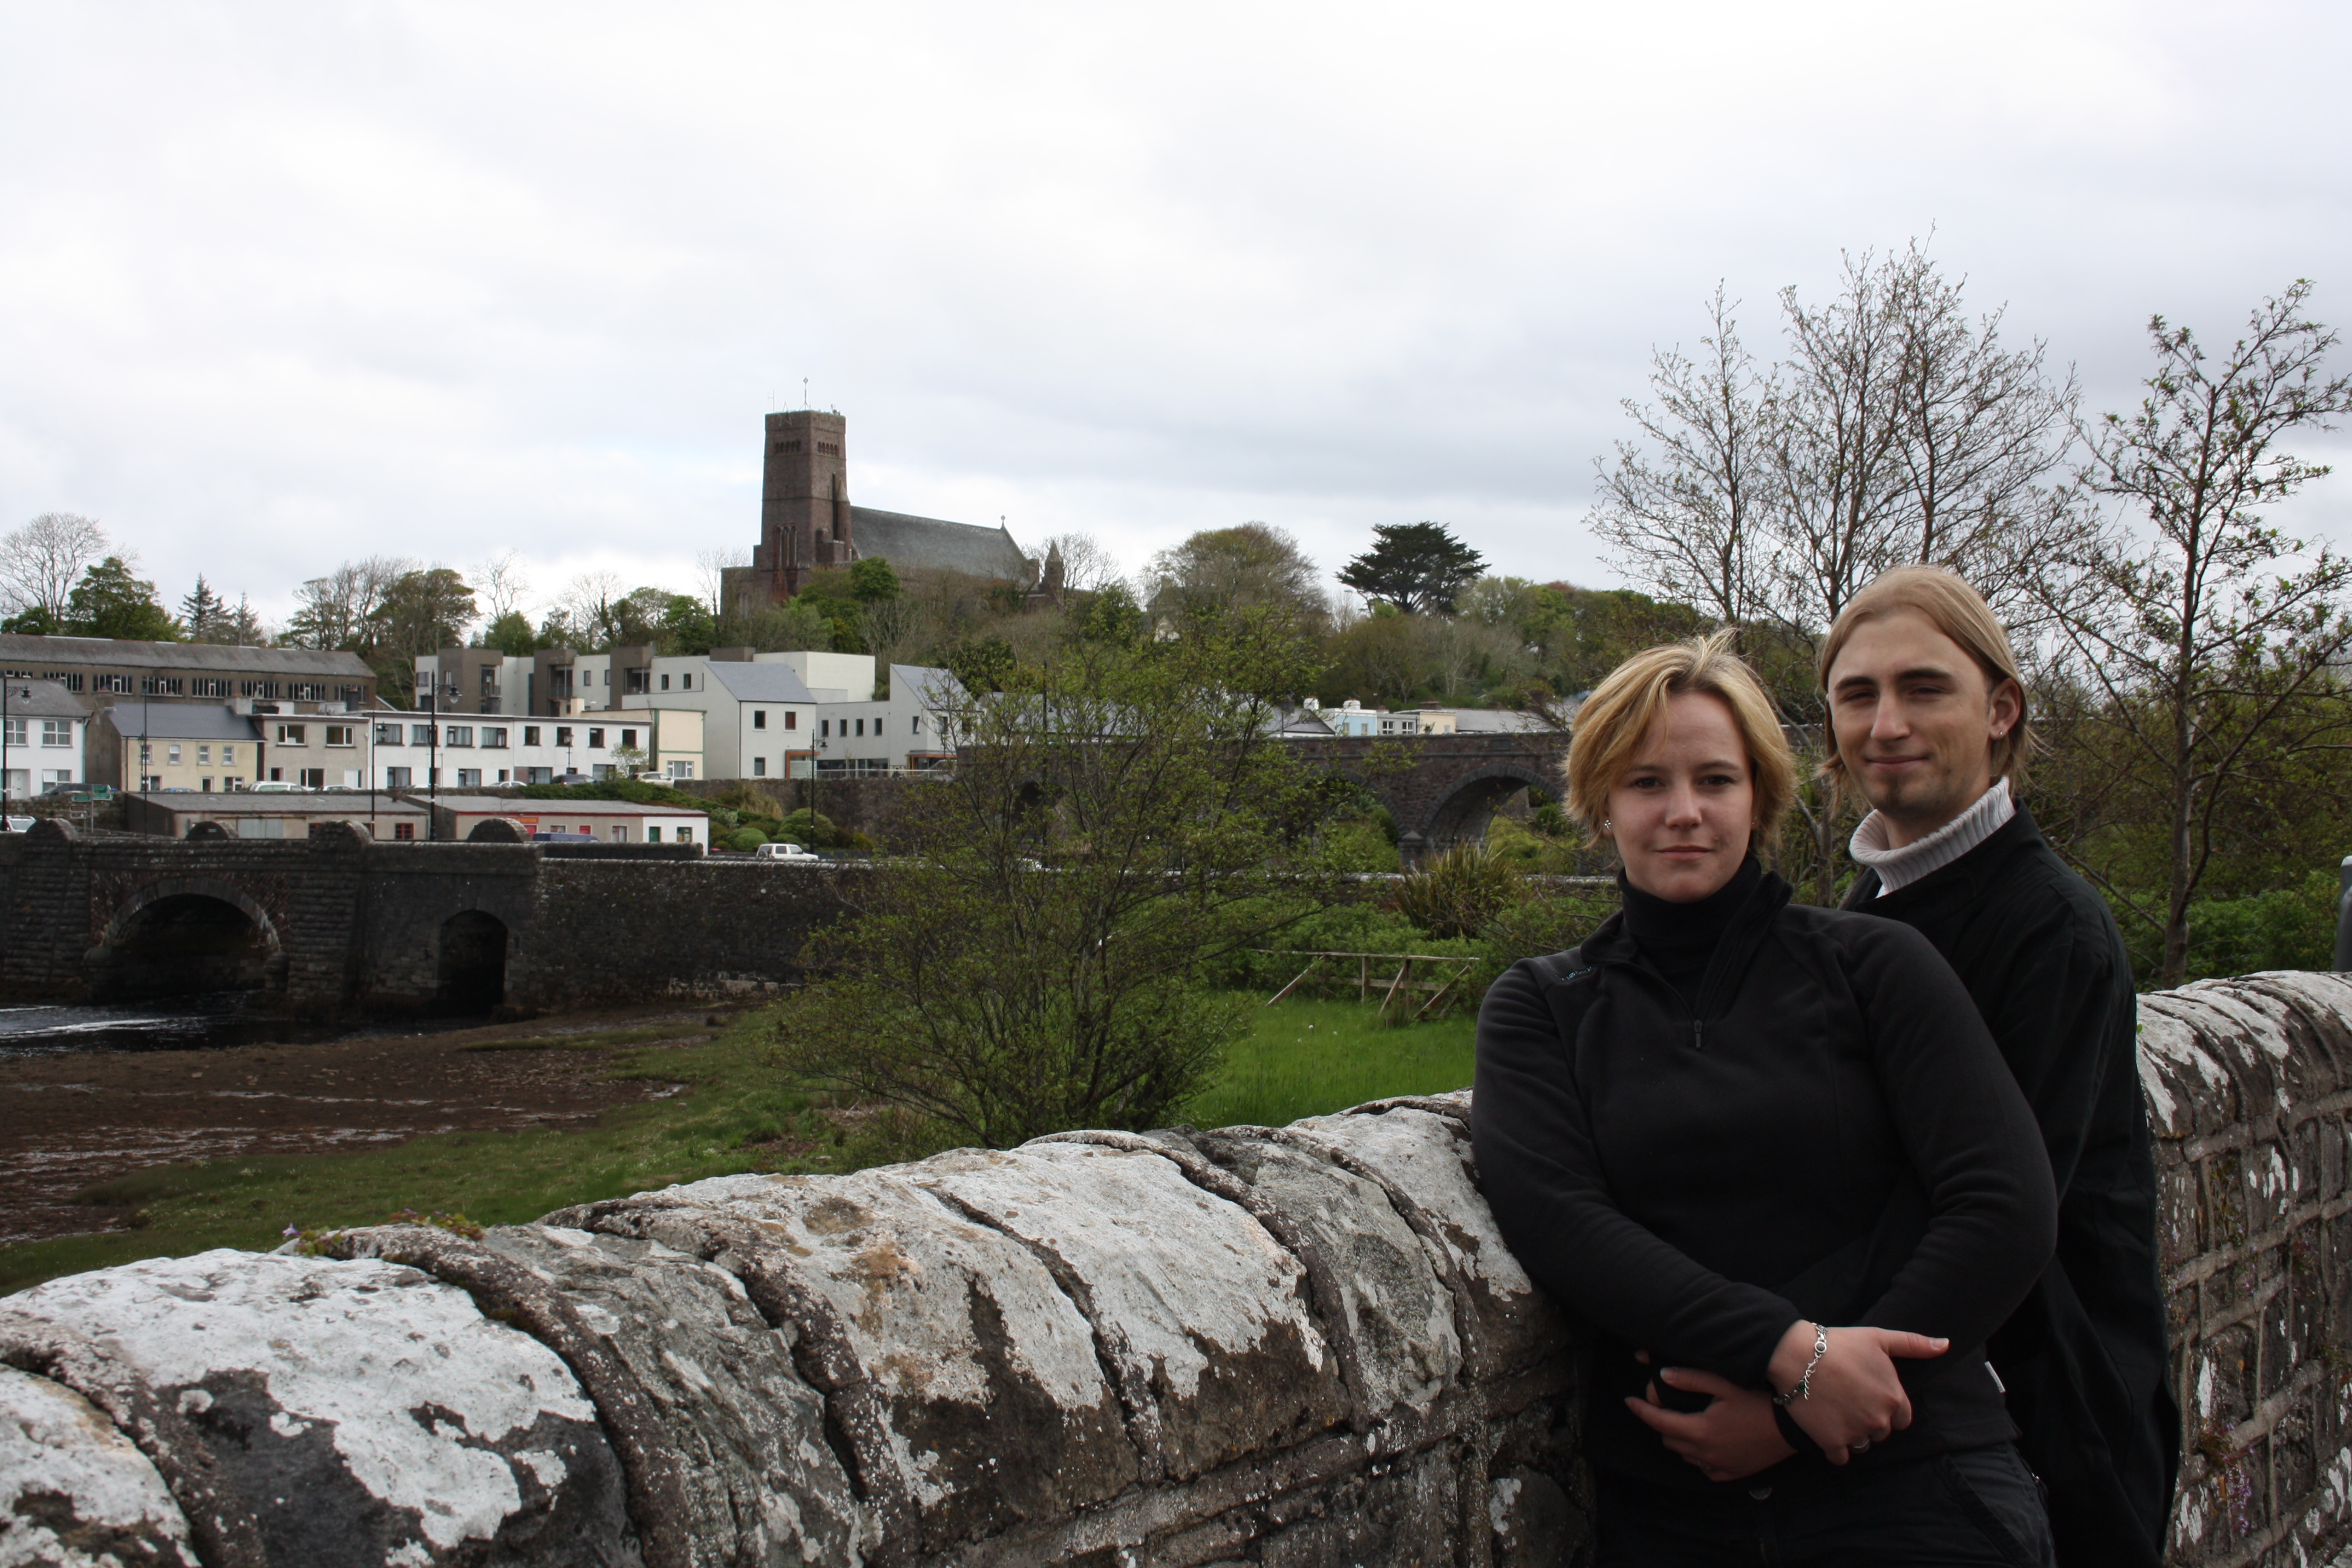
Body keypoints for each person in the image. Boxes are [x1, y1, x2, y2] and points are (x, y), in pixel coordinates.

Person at [1476, 632, 2060, 1565]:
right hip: (1678, 1510)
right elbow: (1558, 1217)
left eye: (1716, 780)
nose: (1684, 812)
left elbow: (2005, 1202)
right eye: (1646, 783)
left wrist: (1805, 1407)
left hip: (1913, 1482)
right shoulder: (1543, 1005)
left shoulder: (1874, 964)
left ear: (1760, 797)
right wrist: (1789, 1354)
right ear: (1600, 805)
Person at [1813, 566, 2178, 1566]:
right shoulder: (1870, 909)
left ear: (2001, 710)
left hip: (2051, 1433)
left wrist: (1801, 1394)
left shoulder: (2049, 928)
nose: (1887, 723)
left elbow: (1997, 1220)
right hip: (1920, 1425)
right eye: (1858, 695)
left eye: (1924, 688)